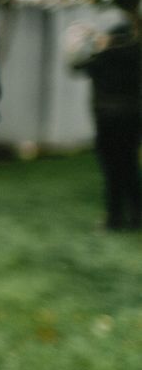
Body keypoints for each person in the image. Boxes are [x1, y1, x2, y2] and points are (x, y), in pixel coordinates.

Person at [71, 21, 142, 231]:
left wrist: (81, 43)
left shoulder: (102, 57)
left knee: (112, 170)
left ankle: (114, 218)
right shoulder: (136, 55)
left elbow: (74, 65)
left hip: (108, 121)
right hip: (133, 119)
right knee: (129, 167)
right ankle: (137, 215)